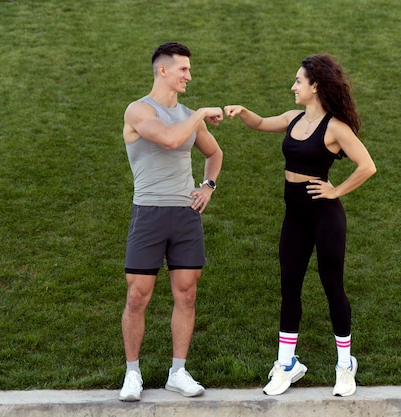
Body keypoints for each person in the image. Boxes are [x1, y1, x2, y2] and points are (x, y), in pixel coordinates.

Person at [224, 54, 376, 397]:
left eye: (298, 81)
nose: (293, 86)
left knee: (331, 286)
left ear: (315, 86)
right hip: (294, 217)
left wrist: (336, 189)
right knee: (289, 287)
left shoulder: (335, 127)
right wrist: (242, 111)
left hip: (325, 217)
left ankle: (345, 365)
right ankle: (288, 365)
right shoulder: (294, 119)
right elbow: (262, 123)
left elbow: (367, 166)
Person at [119, 42, 223, 402]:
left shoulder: (189, 114)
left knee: (188, 294)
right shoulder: (138, 110)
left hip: (185, 215)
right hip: (148, 213)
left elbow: (214, 152)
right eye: (184, 70)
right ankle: (132, 374)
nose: (189, 76)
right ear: (162, 70)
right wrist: (198, 115)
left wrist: (208, 186)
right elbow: (169, 139)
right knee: (137, 295)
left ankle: (177, 371)